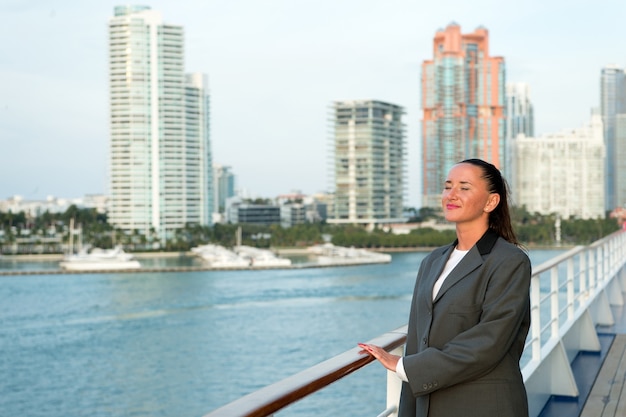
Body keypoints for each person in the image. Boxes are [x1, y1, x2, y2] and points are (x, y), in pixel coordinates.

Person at [359, 158, 531, 417]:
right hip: (431, 404)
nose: (451, 195)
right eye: (447, 186)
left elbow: (489, 340)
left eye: (464, 187)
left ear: (491, 202)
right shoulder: (432, 261)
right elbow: (417, 340)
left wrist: (404, 366)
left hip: (484, 406)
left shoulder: (509, 261)